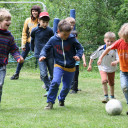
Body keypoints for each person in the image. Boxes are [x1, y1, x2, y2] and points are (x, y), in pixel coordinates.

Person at [39, 19, 83, 109]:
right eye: (64, 35)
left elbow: (80, 48)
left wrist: (78, 55)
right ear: (59, 31)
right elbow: (45, 48)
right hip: (58, 65)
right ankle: (50, 102)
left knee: (67, 87)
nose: (66, 37)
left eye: (68, 34)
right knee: (55, 82)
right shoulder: (53, 39)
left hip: (70, 66)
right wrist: (42, 55)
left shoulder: (72, 39)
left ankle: (61, 99)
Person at [97, 24, 128, 115]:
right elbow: (108, 48)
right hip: (124, 71)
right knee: (125, 87)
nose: (125, 40)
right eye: (124, 38)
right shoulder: (120, 42)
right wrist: (100, 58)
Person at [10, 5, 41, 80]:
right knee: (21, 58)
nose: (34, 12)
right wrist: (23, 44)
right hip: (28, 43)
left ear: (38, 12)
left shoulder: (41, 21)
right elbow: (24, 33)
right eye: (33, 11)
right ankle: (16, 74)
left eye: (36, 11)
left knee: (40, 58)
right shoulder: (28, 20)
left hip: (37, 43)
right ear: (31, 12)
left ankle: (42, 75)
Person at [0, 8, 24, 103]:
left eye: (10, 20)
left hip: (2, 65)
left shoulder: (9, 36)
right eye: (7, 20)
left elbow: (14, 50)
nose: (9, 22)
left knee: (0, 85)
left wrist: (18, 57)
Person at [87, 32, 119, 103]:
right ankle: (106, 97)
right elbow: (92, 57)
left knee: (111, 83)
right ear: (104, 40)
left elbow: (118, 58)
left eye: (112, 41)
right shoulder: (100, 49)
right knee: (104, 81)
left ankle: (112, 96)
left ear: (115, 41)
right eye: (108, 41)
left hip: (111, 68)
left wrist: (115, 62)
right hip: (102, 67)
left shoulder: (116, 49)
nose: (110, 43)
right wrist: (89, 65)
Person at [31, 12, 54, 97]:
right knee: (43, 74)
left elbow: (53, 41)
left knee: (53, 74)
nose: (45, 24)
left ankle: (52, 88)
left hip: (50, 54)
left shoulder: (50, 30)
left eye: (47, 22)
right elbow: (32, 40)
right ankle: (48, 88)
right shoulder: (34, 30)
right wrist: (32, 49)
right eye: (43, 22)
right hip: (40, 55)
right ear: (39, 21)